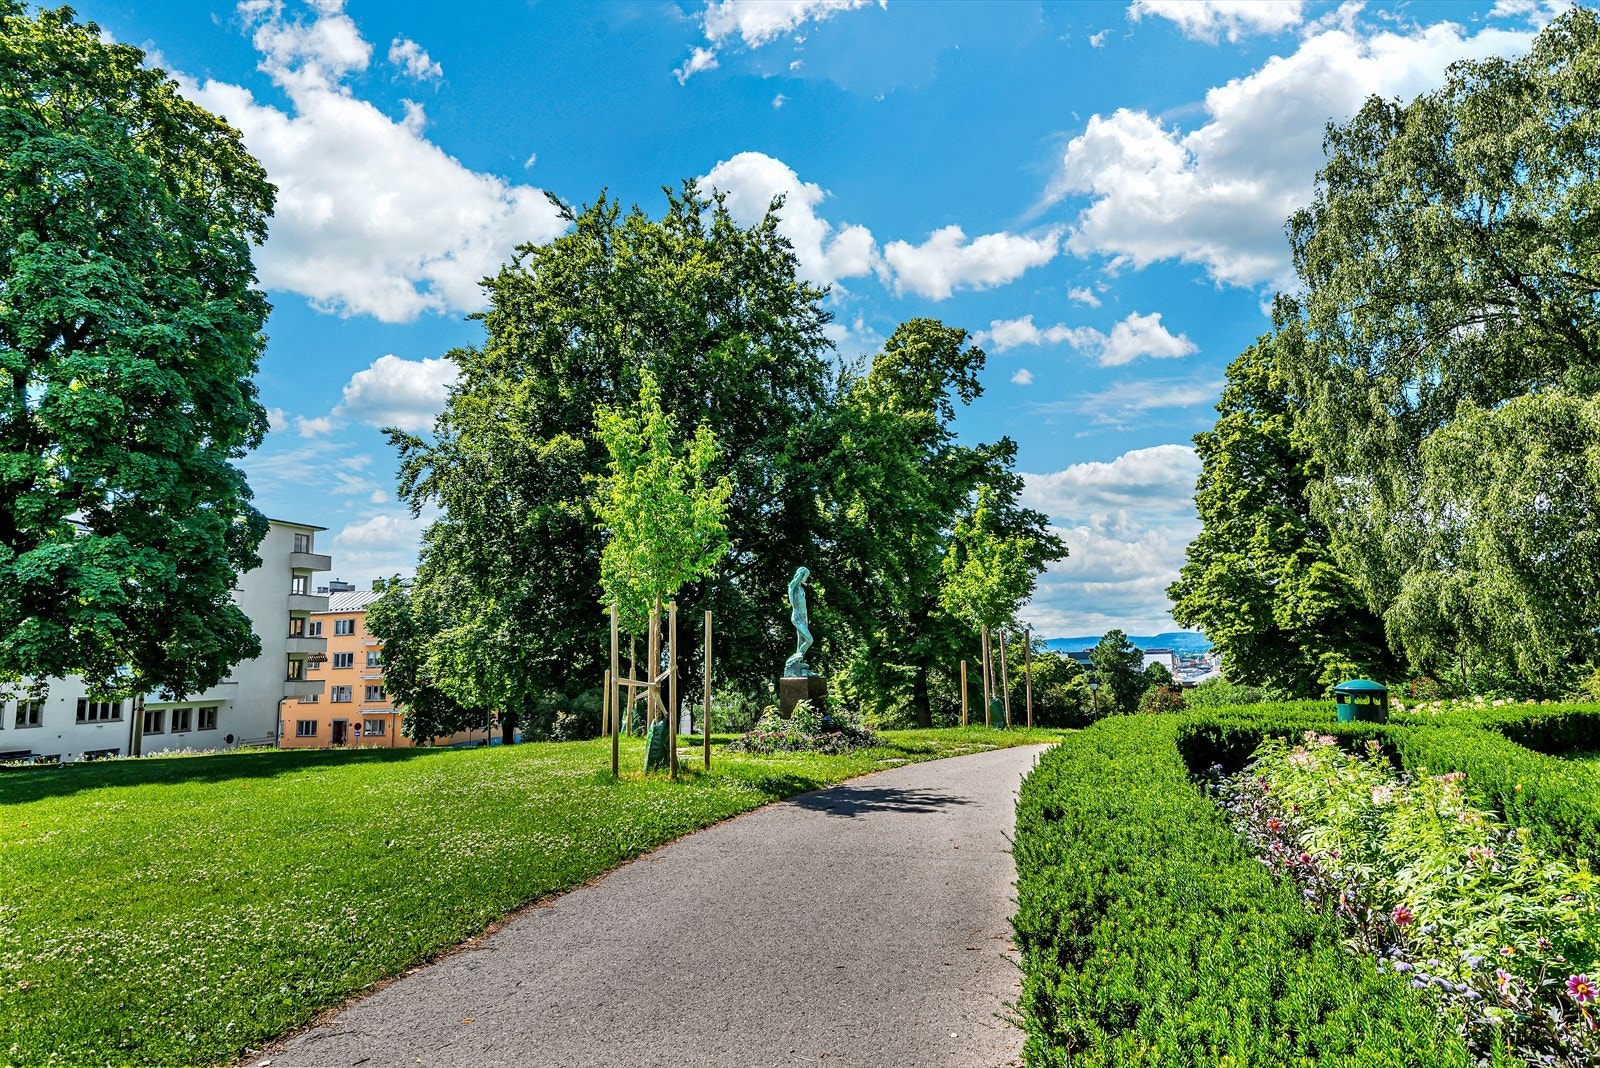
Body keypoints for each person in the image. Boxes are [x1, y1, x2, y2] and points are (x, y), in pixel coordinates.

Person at [785, 566, 814, 676]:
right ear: (801, 575)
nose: (806, 579)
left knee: (800, 642)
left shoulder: (801, 589)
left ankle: (798, 663)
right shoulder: (793, 587)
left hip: (803, 618)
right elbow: (793, 584)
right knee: (809, 639)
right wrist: (800, 575)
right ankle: (796, 658)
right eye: (805, 576)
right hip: (797, 617)